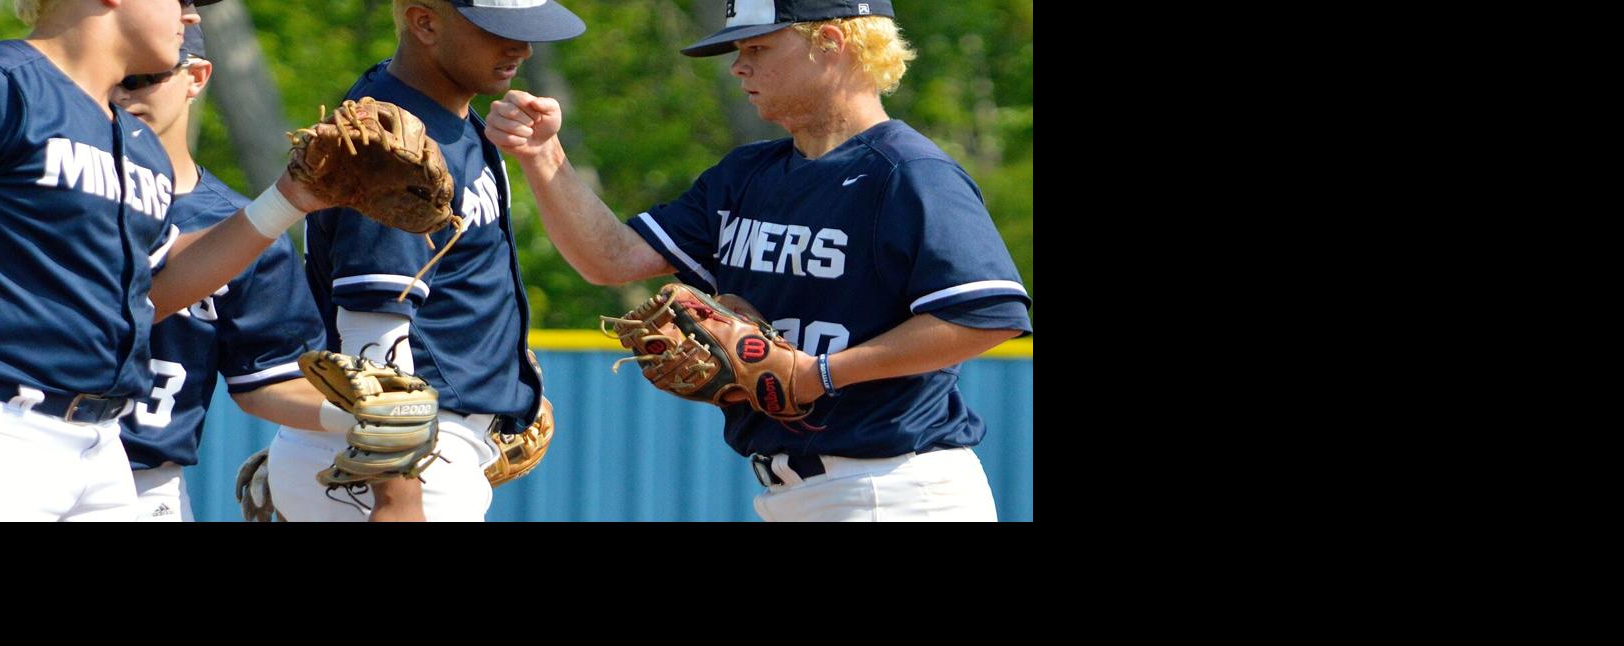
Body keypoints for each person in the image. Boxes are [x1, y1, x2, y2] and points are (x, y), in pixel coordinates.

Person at [486, 0, 1032, 522]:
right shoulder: (748, 175)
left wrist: (819, 374)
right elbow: (611, 259)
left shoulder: (908, 174)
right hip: (797, 490)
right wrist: (542, 155)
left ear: (832, 43)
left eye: (757, 49)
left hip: (894, 486)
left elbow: (986, 315)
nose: (738, 67)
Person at [0, 0, 331, 522]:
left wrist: (288, 198)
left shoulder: (137, 142)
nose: (192, 17)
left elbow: (156, 285)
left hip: (101, 444)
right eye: (178, 1)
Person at [264, 0, 583, 523]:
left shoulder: (444, 112)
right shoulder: (386, 141)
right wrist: (396, 497)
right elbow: (373, 326)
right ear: (425, 21)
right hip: (402, 461)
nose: (521, 48)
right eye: (497, 30)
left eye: (527, 32)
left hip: (403, 448)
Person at [111, 20, 349, 522]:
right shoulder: (46, 195)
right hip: (21, 450)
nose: (116, 93)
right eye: (104, 76)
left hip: (141, 483)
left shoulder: (247, 230)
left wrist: (357, 419)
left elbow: (268, 377)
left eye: (139, 79)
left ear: (195, 77)